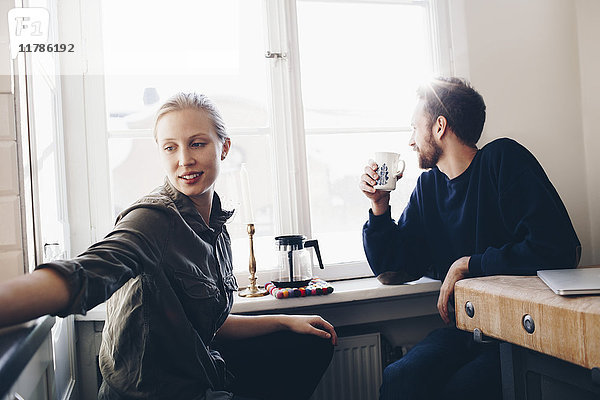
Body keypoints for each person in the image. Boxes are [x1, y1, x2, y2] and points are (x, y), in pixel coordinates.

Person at [0, 92, 336, 400]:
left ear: (224, 147)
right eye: (170, 147)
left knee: (310, 343)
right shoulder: (152, 217)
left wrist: (285, 320)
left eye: (197, 144)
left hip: (203, 373)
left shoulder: (215, 226)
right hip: (153, 393)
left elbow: (209, 326)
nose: (184, 159)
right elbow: (89, 271)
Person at [359, 77, 581, 400]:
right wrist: (379, 206)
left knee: (460, 392)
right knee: (399, 378)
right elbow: (391, 269)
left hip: (515, 335)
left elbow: (559, 249)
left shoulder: (503, 160)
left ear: (439, 127)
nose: (410, 141)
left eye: (414, 128)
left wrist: (468, 265)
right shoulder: (429, 189)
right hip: (463, 332)